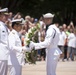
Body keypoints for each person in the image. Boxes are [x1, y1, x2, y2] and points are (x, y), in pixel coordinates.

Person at [0, 8, 9, 75]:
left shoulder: (4, 26)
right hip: (2, 53)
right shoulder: (1, 26)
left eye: (7, 15)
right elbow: (4, 40)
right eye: (4, 15)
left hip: (5, 53)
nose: (6, 17)